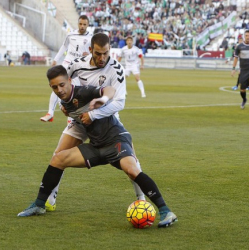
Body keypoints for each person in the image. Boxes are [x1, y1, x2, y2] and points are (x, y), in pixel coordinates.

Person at [17, 65, 178, 228]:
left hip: (116, 140)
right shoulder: (64, 102)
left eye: (62, 85)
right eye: (54, 87)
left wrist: (102, 99)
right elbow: (70, 109)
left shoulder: (84, 92)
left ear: (70, 81)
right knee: (58, 159)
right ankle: (39, 204)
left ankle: (166, 211)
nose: (59, 89)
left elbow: (108, 90)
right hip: (97, 146)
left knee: (131, 169)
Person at [43, 33, 146, 212]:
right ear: (90, 50)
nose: (102, 57)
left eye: (105, 53)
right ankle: (49, 199)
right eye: (98, 53)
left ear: (109, 51)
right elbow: (62, 85)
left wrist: (95, 114)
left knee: (131, 162)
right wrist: (62, 105)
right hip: (79, 120)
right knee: (59, 155)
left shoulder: (116, 69)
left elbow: (119, 102)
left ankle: (142, 200)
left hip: (106, 120)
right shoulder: (77, 65)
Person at [40, 15, 92, 122]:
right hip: (67, 63)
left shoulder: (91, 37)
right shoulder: (70, 34)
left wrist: (89, 55)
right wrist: (56, 59)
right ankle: (50, 113)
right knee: (58, 84)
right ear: (78, 23)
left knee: (73, 91)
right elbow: (64, 46)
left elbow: (93, 53)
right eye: (80, 24)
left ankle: (70, 117)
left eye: (84, 24)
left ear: (88, 25)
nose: (82, 26)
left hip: (79, 66)